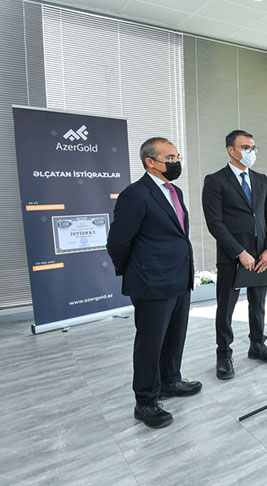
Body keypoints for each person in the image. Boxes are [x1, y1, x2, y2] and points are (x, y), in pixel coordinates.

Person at [106, 137, 202, 429]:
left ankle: (170, 381)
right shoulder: (135, 195)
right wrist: (136, 271)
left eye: (177, 156)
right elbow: (118, 242)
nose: (176, 162)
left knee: (175, 335)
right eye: (170, 157)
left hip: (179, 277)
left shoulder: (175, 191)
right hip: (151, 282)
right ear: (150, 161)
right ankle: (146, 401)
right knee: (150, 343)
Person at [202, 129, 267, 380]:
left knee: (258, 305)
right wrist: (239, 252)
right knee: (226, 308)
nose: (251, 152)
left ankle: (257, 345)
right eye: (246, 147)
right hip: (232, 256)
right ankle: (224, 355)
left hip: (261, 256)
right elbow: (215, 223)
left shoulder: (261, 180)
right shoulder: (215, 181)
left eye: (253, 148)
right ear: (231, 150)